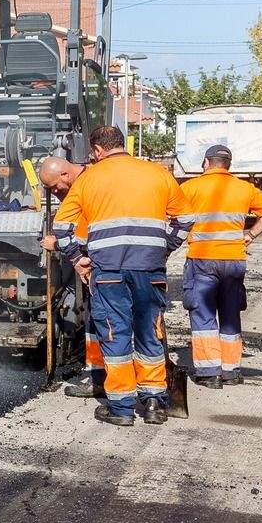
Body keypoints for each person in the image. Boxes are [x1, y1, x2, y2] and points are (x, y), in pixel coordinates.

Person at [53, 126, 186, 427]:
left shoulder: (89, 179)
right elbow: (186, 220)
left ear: (98, 151)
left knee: (114, 333)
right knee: (150, 330)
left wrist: (78, 258)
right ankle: (154, 404)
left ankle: (122, 408)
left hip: (108, 270)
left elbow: (62, 228)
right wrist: (164, 249)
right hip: (149, 268)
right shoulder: (157, 173)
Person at [177, 144, 262, 387]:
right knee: (230, 314)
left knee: (202, 313)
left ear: (206, 163)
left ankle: (209, 373)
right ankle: (230, 371)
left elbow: (175, 218)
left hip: (202, 259)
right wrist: (251, 235)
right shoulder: (244, 189)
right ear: (229, 166)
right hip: (234, 259)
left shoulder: (191, 187)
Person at [36, 155, 104, 400]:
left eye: (55, 186)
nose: (55, 192)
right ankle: (102, 375)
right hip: (101, 263)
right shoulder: (84, 182)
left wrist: (60, 244)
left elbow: (90, 229)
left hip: (99, 264)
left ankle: (102, 379)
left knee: (102, 321)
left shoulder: (89, 184)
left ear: (65, 173)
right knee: (98, 320)